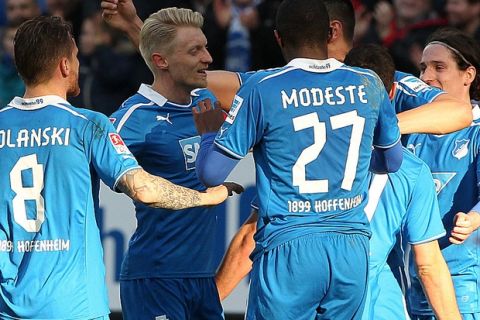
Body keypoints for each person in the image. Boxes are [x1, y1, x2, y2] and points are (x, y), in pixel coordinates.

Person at [0, 16, 240, 319]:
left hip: (8, 304)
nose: (78, 64)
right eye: (75, 57)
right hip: (75, 303)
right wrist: (207, 197)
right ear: (64, 65)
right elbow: (144, 188)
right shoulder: (87, 126)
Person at [194, 0, 403, 318]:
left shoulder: (261, 89)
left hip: (291, 248)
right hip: (351, 249)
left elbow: (211, 174)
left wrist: (209, 133)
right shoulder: (369, 83)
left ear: (278, 38)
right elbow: (391, 162)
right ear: (331, 33)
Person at [99, 0, 472, 135]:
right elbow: (188, 74)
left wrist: (380, 126)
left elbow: (458, 110)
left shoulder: (382, 83)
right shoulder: (273, 84)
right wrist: (138, 29)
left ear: (331, 30)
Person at [108, 7, 228, 320]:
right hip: (156, 278)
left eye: (204, 46)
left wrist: (135, 24)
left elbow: (164, 52)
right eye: (196, 50)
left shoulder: (206, 102)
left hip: (202, 277)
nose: (208, 58)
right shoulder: (132, 119)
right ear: (161, 61)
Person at [345, 44, 461, 320]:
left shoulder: (297, 143)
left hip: (301, 278)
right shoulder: (411, 168)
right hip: (366, 280)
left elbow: (249, 239)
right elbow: (429, 265)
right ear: (394, 93)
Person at [404, 28, 480, 320]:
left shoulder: (476, 132)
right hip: (418, 283)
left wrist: (473, 219)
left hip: (464, 287)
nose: (427, 77)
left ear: (468, 75)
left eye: (439, 67)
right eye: (423, 68)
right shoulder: (415, 132)